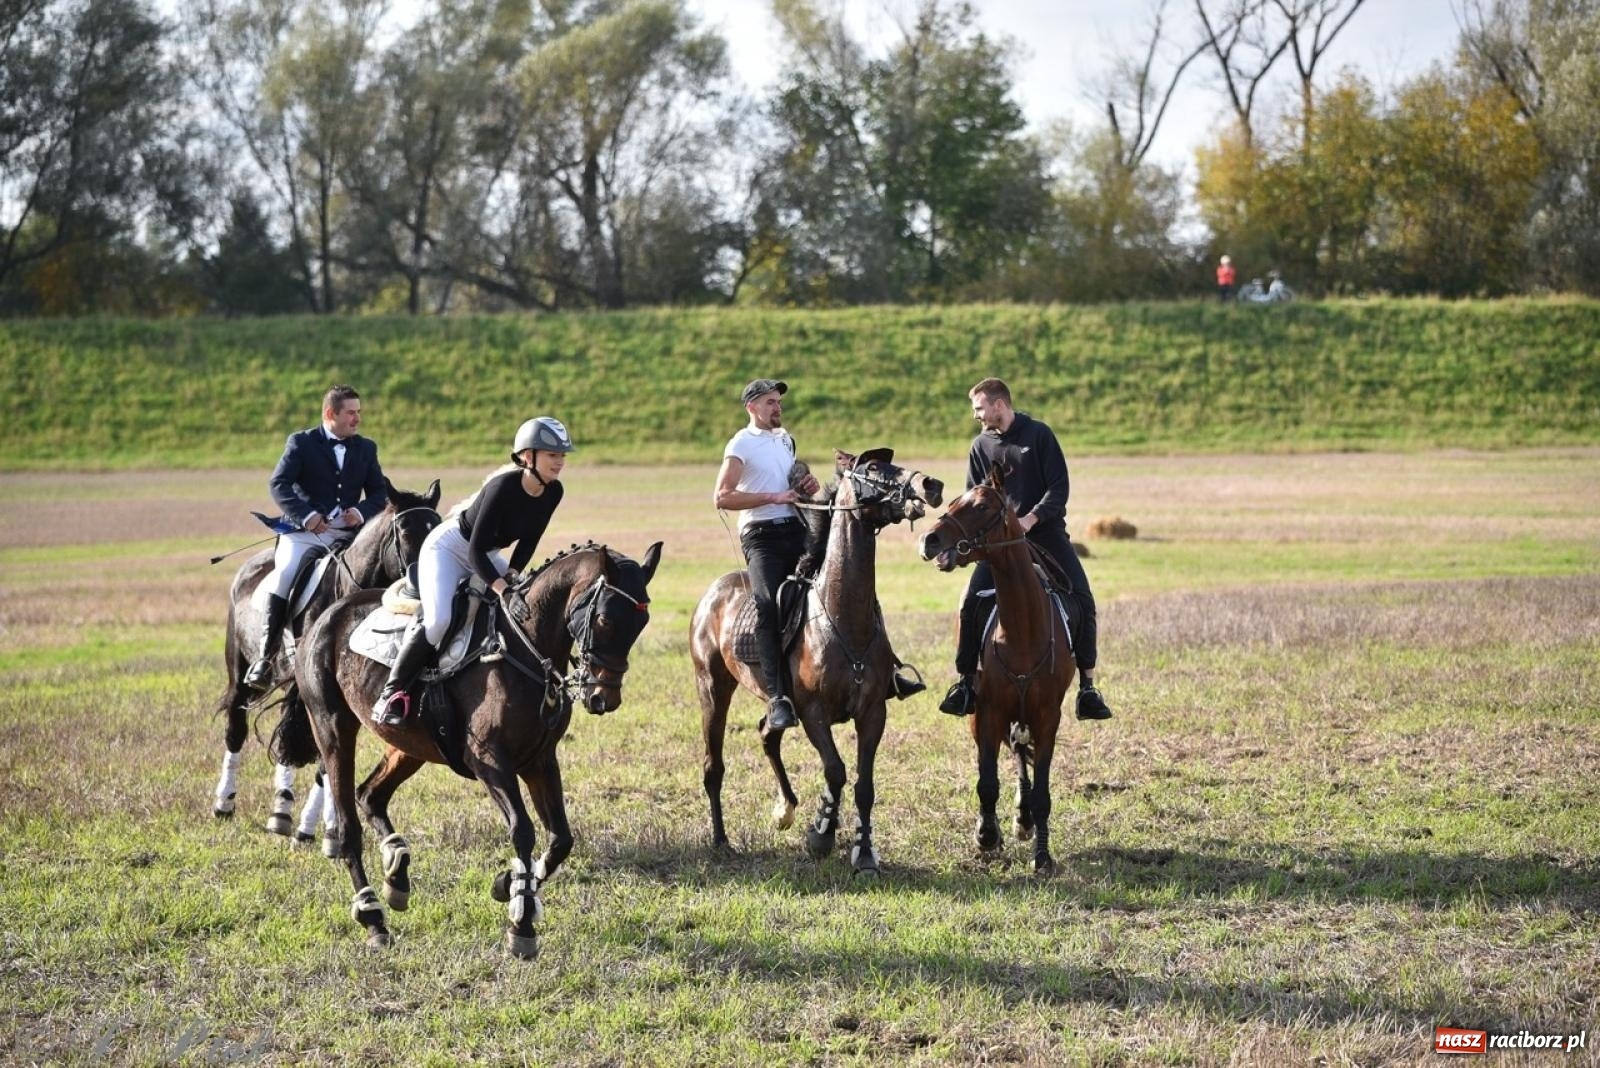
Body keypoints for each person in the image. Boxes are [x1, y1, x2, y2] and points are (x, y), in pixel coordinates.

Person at [371, 417, 572, 726]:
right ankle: (392, 694)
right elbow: (475, 550)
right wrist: (503, 588)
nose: (559, 462)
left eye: (561, 456)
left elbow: (529, 541)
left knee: (526, 603)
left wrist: (514, 576)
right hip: (449, 549)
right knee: (439, 621)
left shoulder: (553, 492)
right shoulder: (503, 486)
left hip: (486, 554)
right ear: (527, 456)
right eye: (552, 455)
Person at [938, 378, 1113, 722]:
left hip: (1044, 536)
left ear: (999, 405)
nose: (976, 416)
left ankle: (1088, 688)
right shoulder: (980, 447)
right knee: (968, 603)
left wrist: (1031, 519)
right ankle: (965, 684)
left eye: (979, 408)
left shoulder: (1039, 435)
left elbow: (1059, 488)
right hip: (999, 543)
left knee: (1082, 597)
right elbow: (974, 500)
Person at [244, 385, 387, 691]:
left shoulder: (366, 448)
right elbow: (279, 484)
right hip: (305, 533)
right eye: (351, 412)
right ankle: (265, 659)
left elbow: (379, 492)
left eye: (359, 412)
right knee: (284, 577)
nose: (357, 418)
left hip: (350, 535)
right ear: (329, 414)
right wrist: (308, 516)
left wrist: (361, 512)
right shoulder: (301, 443)